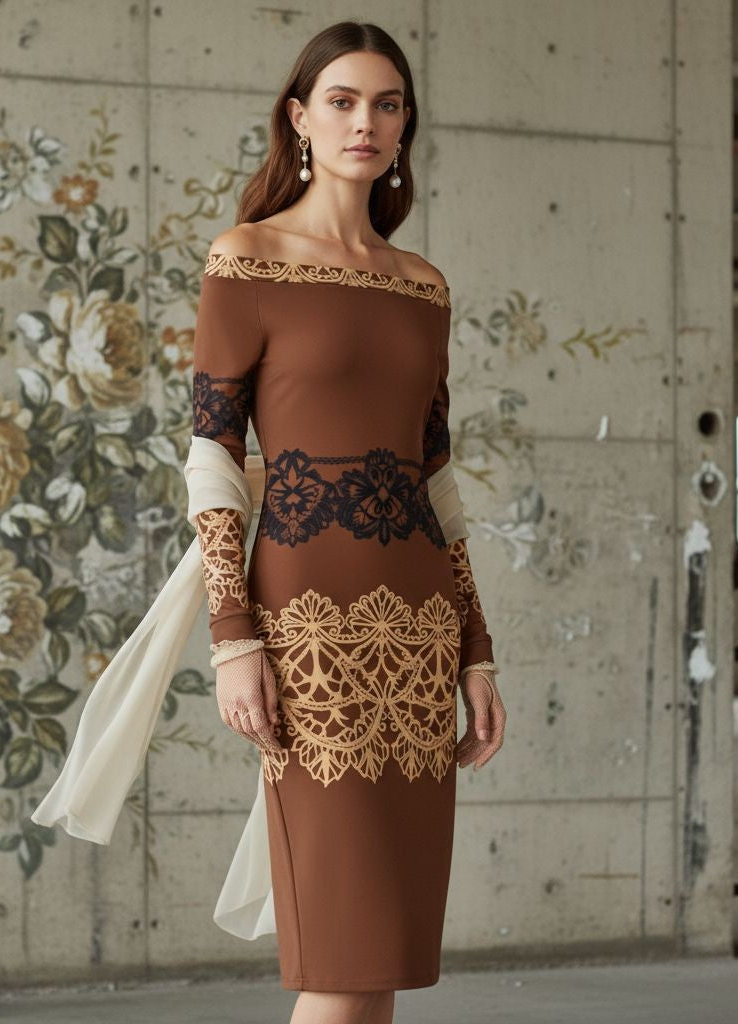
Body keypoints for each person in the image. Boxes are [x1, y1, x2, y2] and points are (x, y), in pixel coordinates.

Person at [193, 20, 506, 1024]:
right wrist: (232, 632)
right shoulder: (246, 258)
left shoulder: (421, 286)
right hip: (307, 626)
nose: (363, 121)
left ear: (405, 127)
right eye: (341, 100)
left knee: (384, 952)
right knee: (338, 938)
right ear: (299, 119)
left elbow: (437, 480)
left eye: (385, 103)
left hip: (416, 627)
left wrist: (478, 651)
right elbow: (211, 455)